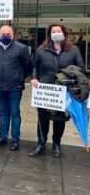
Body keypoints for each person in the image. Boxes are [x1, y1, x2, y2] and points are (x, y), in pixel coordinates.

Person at [29, 24, 84, 158]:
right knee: (42, 119)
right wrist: (34, 78)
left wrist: (69, 77)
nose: (56, 33)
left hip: (63, 91)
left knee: (60, 119)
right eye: (53, 31)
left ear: (64, 33)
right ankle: (41, 144)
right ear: (49, 34)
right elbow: (35, 66)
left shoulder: (73, 50)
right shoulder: (42, 49)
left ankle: (56, 144)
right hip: (44, 90)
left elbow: (80, 68)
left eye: (59, 31)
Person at [0, 25, 31, 151]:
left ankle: (15, 140)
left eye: (8, 34)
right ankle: (2, 137)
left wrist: (19, 78)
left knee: (14, 113)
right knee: (3, 113)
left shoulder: (21, 48)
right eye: (3, 33)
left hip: (15, 87)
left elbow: (28, 66)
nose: (6, 36)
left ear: (13, 35)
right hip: (0, 86)